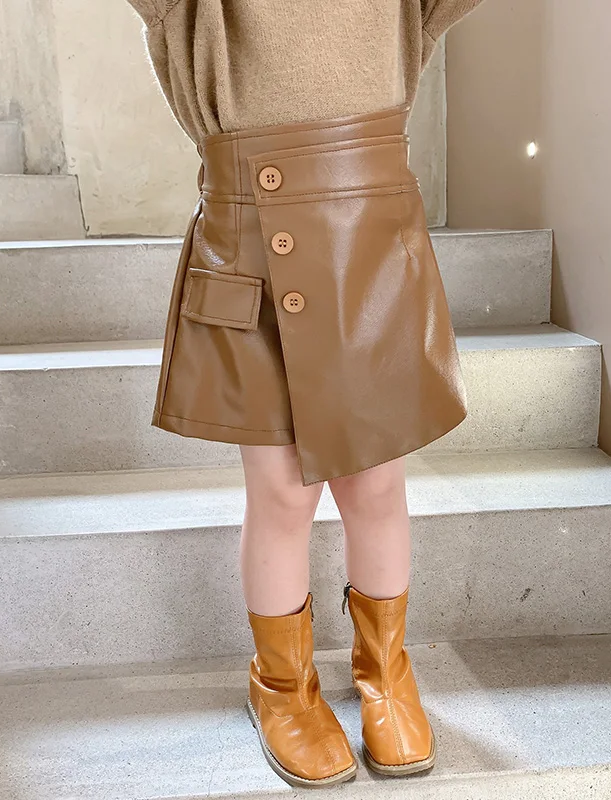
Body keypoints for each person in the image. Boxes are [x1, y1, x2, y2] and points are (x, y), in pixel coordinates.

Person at [127, 0, 483, 788]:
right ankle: (282, 687)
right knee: (284, 494)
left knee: (376, 485)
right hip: (253, 235)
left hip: (372, 241)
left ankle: (387, 674)